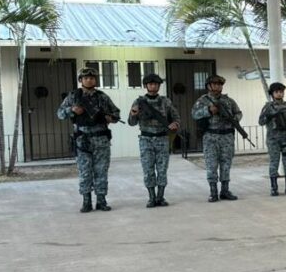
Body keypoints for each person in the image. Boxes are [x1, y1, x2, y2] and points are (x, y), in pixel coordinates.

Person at [57, 68, 120, 213]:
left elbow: (116, 113)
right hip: (82, 140)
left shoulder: (102, 97)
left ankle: (101, 201)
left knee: (101, 171)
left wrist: (110, 118)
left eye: (92, 78)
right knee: (85, 172)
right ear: (81, 80)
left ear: (95, 80)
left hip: (101, 140)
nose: (89, 80)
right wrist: (72, 110)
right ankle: (86, 201)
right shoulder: (73, 96)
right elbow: (60, 114)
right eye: (85, 78)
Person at [128, 73, 180, 208]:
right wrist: (133, 114)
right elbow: (131, 123)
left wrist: (175, 124)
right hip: (146, 139)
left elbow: (176, 117)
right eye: (150, 84)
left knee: (162, 169)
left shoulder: (165, 101)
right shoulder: (139, 102)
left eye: (156, 84)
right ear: (146, 86)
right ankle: (151, 197)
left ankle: (160, 197)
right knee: (148, 169)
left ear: (159, 86)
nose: (153, 86)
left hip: (162, 138)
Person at [192, 74, 242, 202]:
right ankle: (213, 192)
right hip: (211, 136)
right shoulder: (203, 100)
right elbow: (194, 114)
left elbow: (239, 113)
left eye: (219, 84)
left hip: (227, 136)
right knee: (211, 164)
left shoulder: (229, 101)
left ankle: (225, 190)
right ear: (208, 86)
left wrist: (233, 118)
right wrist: (208, 110)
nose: (217, 87)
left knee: (226, 164)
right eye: (214, 84)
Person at [259, 82, 286, 197]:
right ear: (272, 94)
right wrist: (270, 115)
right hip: (273, 139)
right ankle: (274, 188)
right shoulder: (268, 107)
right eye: (276, 92)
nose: (279, 94)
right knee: (274, 162)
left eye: (281, 92)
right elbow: (261, 121)